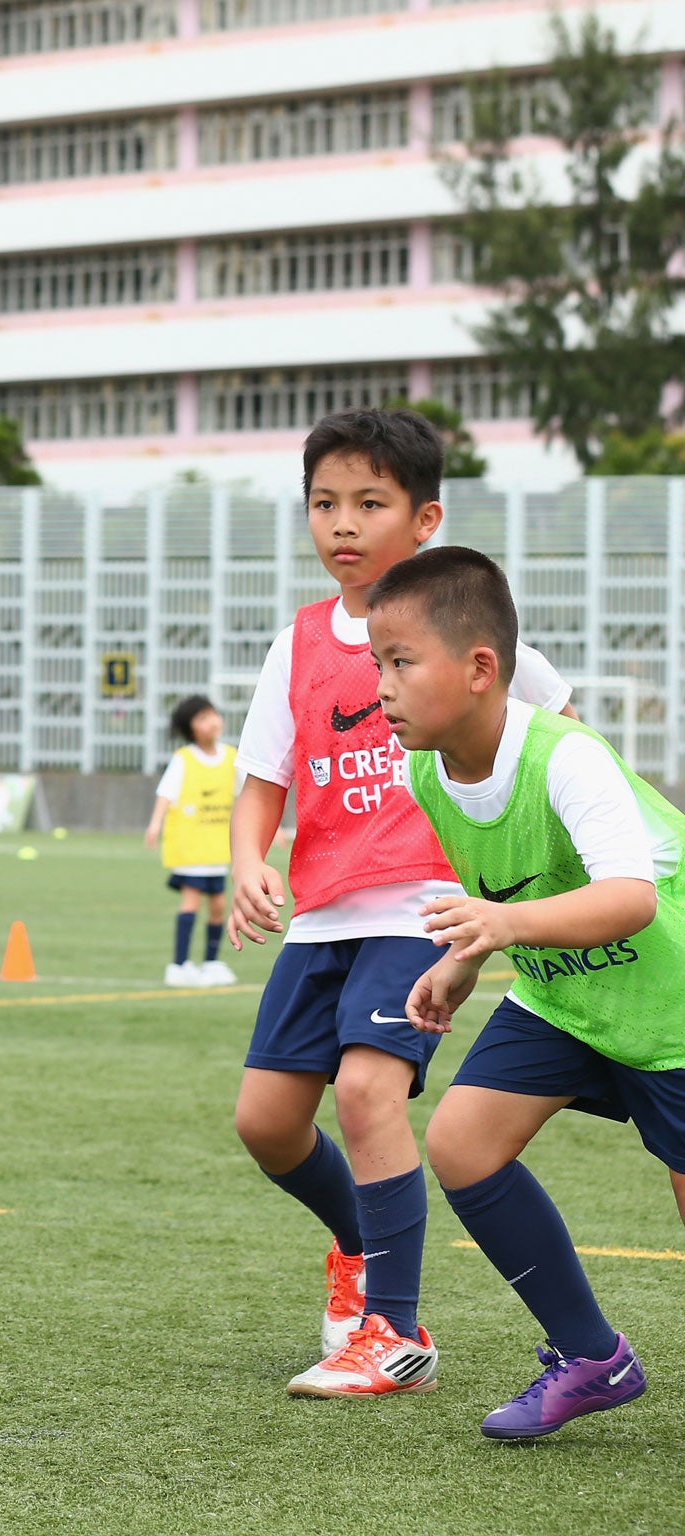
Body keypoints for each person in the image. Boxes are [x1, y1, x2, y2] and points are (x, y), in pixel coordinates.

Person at [224, 408, 574, 1398]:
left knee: (370, 1091)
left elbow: (558, 734)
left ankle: (392, 1330)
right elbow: (261, 781)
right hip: (322, 916)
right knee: (264, 1123)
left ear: (422, 520)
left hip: (420, 913)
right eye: (323, 504)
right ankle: (353, 1238)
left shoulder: (464, 630)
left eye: (366, 503)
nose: (341, 523)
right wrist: (249, 861)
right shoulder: (294, 645)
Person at [368, 546, 677, 1439]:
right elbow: (507, 894)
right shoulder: (422, 769)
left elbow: (630, 899)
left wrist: (499, 932)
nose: (380, 687)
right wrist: (466, 957)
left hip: (671, 1006)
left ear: (479, 669)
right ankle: (593, 1357)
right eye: (376, 663)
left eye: (401, 662)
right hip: (566, 996)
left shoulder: (568, 758)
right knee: (463, 1144)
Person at [145, 694, 236, 989]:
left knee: (220, 905)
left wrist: (272, 829)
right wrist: (155, 824)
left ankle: (211, 962)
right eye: (202, 718)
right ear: (191, 728)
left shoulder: (231, 757)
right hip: (191, 847)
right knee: (191, 903)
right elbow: (165, 794)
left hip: (217, 848)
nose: (211, 721)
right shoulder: (184, 759)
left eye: (213, 714)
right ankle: (180, 964)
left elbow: (249, 795)